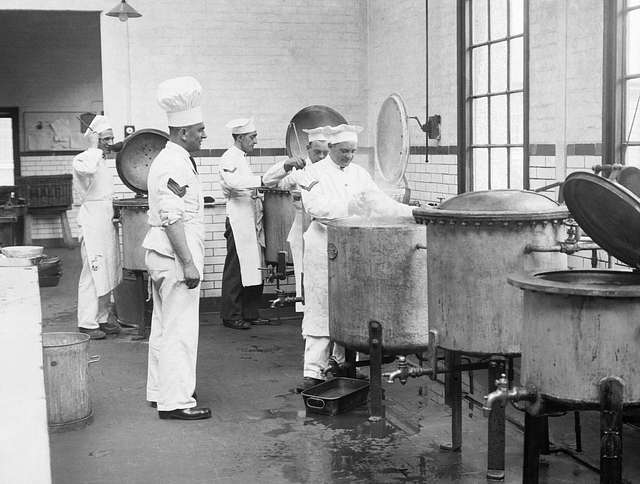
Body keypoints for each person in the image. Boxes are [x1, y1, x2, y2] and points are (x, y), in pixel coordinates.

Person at [297, 124, 414, 392]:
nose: (349, 156)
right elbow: (315, 208)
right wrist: (349, 206)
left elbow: (381, 203)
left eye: (353, 151)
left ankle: (345, 364)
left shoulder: (359, 174)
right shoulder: (311, 173)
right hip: (323, 244)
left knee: (354, 305)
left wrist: (413, 212)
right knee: (321, 304)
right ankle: (313, 371)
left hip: (356, 247)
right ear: (331, 148)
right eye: (344, 151)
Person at [142, 76, 211, 420]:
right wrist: (188, 263)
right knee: (180, 330)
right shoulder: (173, 163)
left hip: (160, 254)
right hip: (173, 257)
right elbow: (171, 217)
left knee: (164, 325)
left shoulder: (175, 159)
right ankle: (176, 402)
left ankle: (160, 391)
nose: (203, 135)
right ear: (184, 132)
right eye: (200, 130)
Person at [262, 126, 329, 313]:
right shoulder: (298, 168)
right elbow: (269, 181)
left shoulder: (333, 171)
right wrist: (285, 165)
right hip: (302, 231)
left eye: (326, 153)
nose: (322, 157)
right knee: (305, 274)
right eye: (317, 152)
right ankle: (308, 314)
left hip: (328, 231)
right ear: (307, 148)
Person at [73, 115, 122, 340]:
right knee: (92, 272)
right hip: (92, 221)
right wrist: (95, 146)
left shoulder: (101, 160)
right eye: (106, 138)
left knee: (107, 271)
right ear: (94, 139)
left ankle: (102, 317)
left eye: (112, 138)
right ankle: (87, 322)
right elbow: (88, 170)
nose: (110, 142)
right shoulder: (83, 159)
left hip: (105, 219)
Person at [219, 118, 271, 330]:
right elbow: (232, 183)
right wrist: (260, 181)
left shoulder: (241, 158)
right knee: (236, 267)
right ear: (239, 138)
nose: (255, 141)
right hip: (238, 219)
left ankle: (249, 312)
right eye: (252, 137)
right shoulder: (229, 157)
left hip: (249, 218)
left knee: (252, 265)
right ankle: (230, 315)